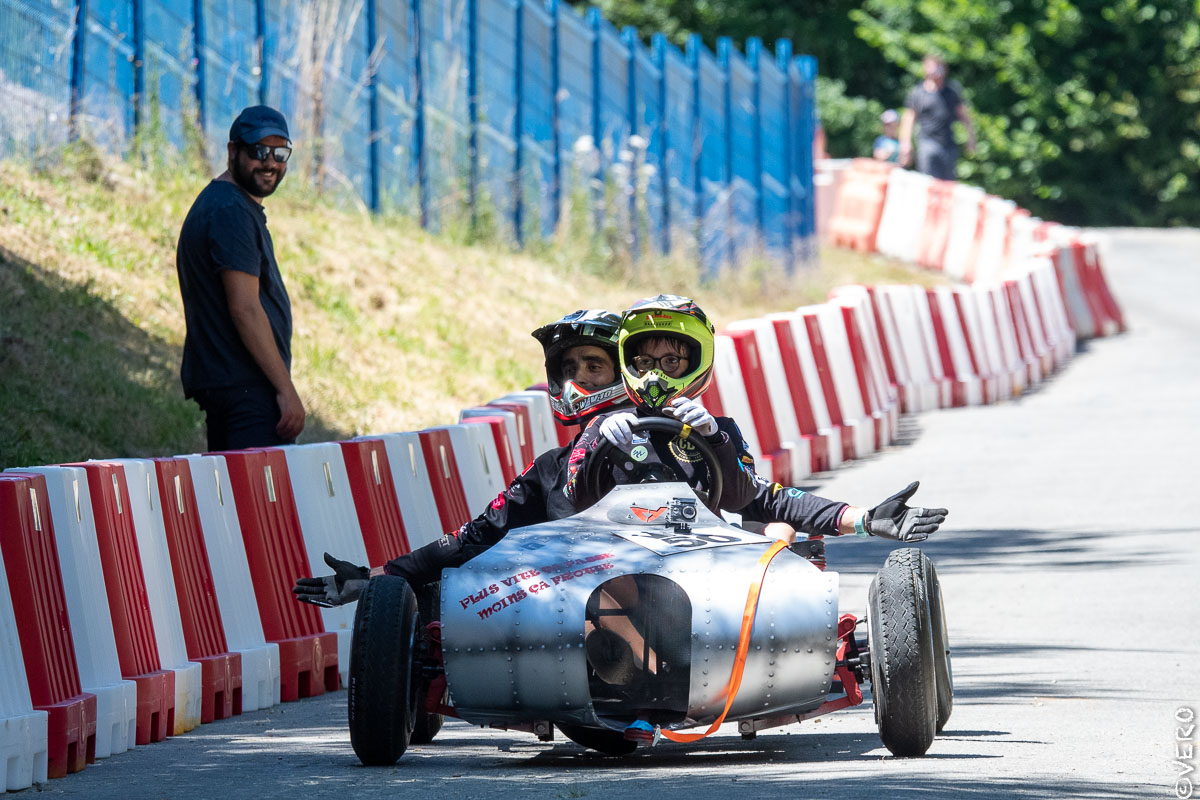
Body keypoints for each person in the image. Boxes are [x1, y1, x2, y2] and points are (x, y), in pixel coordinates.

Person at [293, 309, 632, 607]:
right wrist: (372, 578)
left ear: (623, 373)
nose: (579, 378)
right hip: (578, 618)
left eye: (594, 366)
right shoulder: (549, 468)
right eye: (570, 368)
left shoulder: (662, 440)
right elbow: (475, 536)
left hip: (652, 604)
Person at [176, 105, 304, 451]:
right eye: (259, 151)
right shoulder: (230, 211)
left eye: (280, 153)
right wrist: (285, 389)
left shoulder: (227, 205)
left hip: (236, 387)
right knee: (266, 489)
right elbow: (245, 308)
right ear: (233, 151)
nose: (270, 163)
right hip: (246, 393)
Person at [898, 54, 977, 180]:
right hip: (927, 143)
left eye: (938, 66)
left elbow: (964, 116)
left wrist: (971, 138)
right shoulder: (918, 93)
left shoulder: (951, 92)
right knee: (928, 181)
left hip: (948, 144)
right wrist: (905, 143)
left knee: (947, 184)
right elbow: (908, 119)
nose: (935, 70)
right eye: (931, 66)